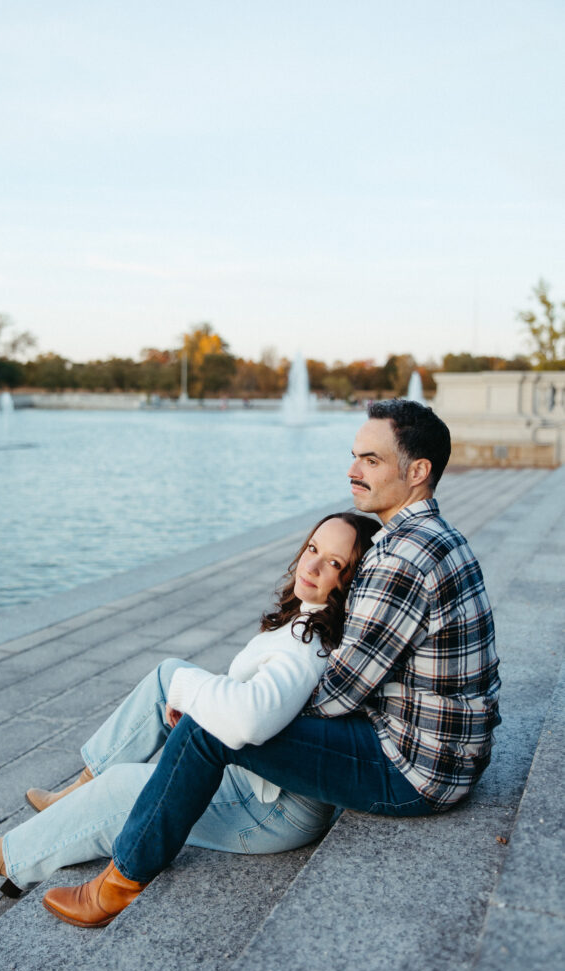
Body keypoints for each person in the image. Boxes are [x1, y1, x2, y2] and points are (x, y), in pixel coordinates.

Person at [40, 398, 502, 929]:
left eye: (371, 460)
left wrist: (229, 709)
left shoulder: (402, 557)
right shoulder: (435, 536)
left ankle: (119, 884)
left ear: (417, 472)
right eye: (355, 456)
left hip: (412, 772)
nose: (353, 470)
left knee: (208, 731)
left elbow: (339, 693)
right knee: (222, 715)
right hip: (441, 754)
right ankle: (106, 807)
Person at [0, 510, 379, 894]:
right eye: (312, 549)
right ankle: (78, 790)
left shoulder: (309, 647)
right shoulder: (307, 617)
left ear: (351, 582)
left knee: (125, 786)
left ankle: (8, 857)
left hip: (269, 810)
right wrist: (195, 703)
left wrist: (192, 699)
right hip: (261, 779)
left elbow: (252, 719)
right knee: (168, 674)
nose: (312, 565)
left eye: (334, 563)